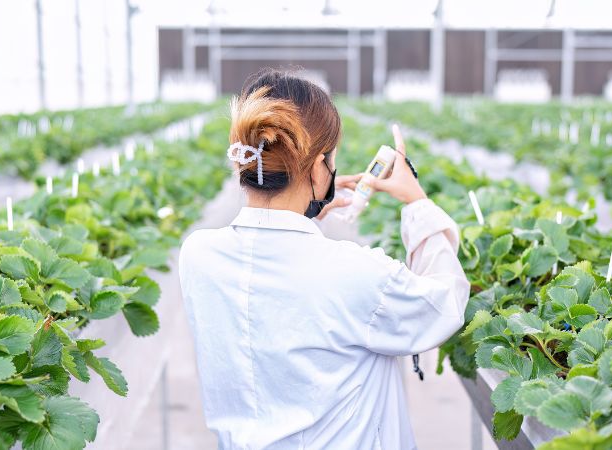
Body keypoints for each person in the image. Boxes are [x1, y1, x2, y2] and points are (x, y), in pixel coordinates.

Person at [178, 69, 469, 449]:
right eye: (329, 162)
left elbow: (276, 254)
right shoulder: (356, 272)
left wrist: (305, 206)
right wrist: (417, 203)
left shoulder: (198, 256)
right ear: (318, 168)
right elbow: (442, 306)